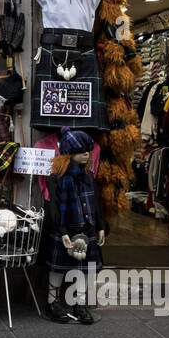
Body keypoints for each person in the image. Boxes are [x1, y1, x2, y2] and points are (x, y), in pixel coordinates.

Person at [44, 128, 105, 325]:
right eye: (81, 151)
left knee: (84, 268)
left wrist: (101, 226)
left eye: (87, 150)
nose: (86, 154)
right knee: (58, 269)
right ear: (69, 153)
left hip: (87, 229)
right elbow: (53, 205)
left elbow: (96, 201)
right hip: (65, 228)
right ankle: (52, 303)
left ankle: (80, 304)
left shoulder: (88, 175)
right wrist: (62, 231)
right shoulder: (57, 177)